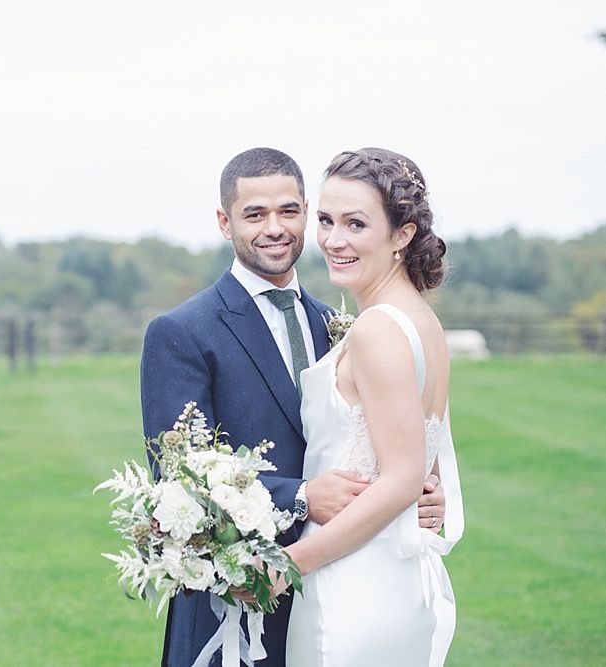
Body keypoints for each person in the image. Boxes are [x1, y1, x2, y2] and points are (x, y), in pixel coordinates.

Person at [140, 147, 446, 667]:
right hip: (235, 604)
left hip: (338, 583)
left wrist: (424, 488)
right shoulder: (182, 332)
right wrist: (302, 496)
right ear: (224, 221)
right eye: (254, 214)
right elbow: (180, 478)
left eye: (288, 211)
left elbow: (387, 442)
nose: (274, 228)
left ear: (305, 212)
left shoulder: (340, 325)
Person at [280, 147, 465, 667]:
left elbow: (402, 477)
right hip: (398, 581)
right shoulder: (420, 321)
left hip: (349, 584)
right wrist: (430, 494)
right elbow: (420, 461)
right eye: (326, 220)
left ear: (402, 234)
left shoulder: (378, 329)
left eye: (356, 223)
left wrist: (286, 564)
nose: (334, 240)